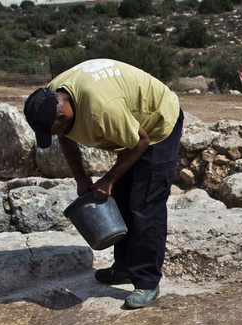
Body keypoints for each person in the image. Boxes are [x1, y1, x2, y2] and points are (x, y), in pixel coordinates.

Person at [23, 58, 183, 309]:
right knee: (119, 198)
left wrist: (107, 178)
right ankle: (123, 268)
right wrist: (81, 179)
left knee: (145, 204)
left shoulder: (101, 108)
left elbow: (141, 141)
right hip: (131, 127)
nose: (56, 135)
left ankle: (147, 281)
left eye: (55, 129)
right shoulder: (52, 95)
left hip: (157, 125)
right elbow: (66, 138)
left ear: (62, 115)